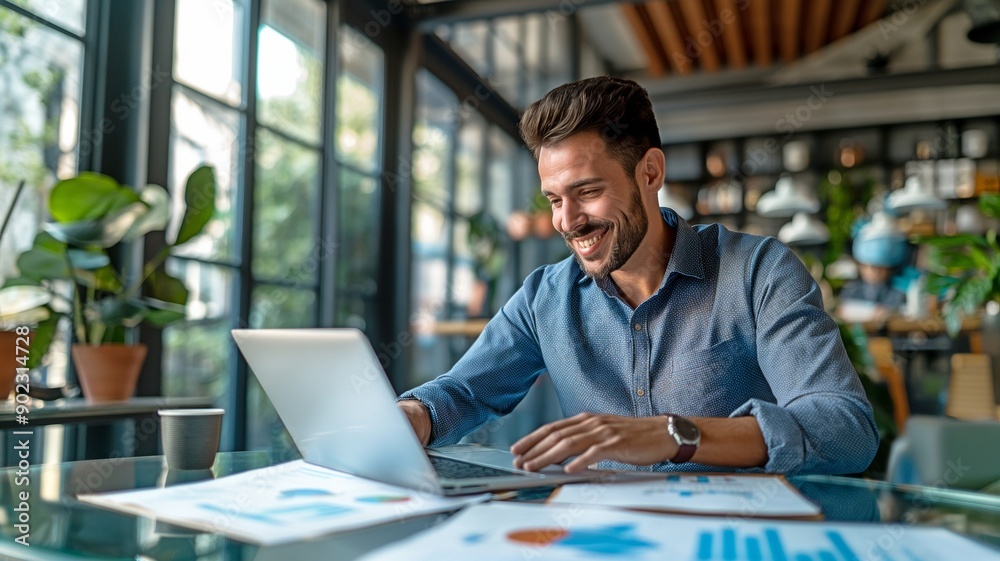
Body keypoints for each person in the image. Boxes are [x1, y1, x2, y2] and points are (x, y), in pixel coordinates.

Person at [397, 76, 878, 475]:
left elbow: (846, 429)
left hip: (733, 536)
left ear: (650, 173)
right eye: (555, 200)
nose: (567, 221)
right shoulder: (545, 298)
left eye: (587, 192)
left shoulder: (758, 272)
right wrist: (413, 415)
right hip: (608, 537)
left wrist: (676, 435)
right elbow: (463, 392)